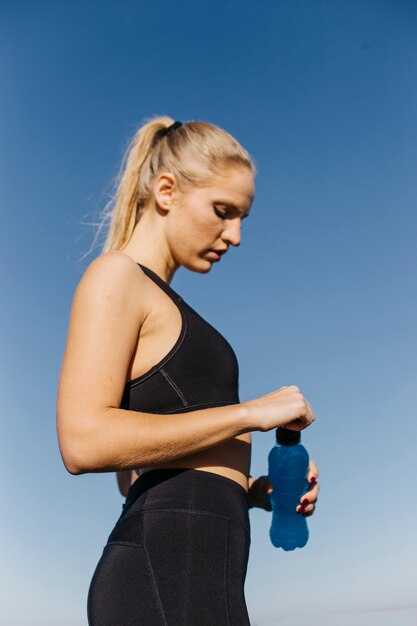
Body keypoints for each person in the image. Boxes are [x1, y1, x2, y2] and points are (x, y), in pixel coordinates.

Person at [56, 116, 319, 625]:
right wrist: (248, 414)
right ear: (167, 190)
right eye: (223, 212)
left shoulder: (161, 300)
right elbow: (82, 441)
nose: (236, 235)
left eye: (243, 217)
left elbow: (131, 477)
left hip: (198, 567)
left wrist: (252, 493)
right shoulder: (116, 276)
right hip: (163, 569)